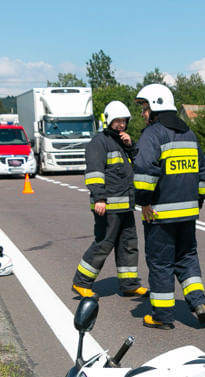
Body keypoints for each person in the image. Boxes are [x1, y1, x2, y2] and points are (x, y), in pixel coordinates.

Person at [133, 84, 205, 330]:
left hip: (160, 213)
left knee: (161, 263)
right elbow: (203, 174)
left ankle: (162, 316)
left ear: (155, 107)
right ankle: (198, 302)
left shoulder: (153, 134)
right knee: (187, 258)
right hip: (188, 213)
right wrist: (196, 203)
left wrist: (143, 201)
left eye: (145, 108)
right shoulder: (188, 133)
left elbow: (145, 170)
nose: (143, 113)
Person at [72, 101, 147, 301]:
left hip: (125, 206)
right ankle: (81, 282)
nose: (121, 125)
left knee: (129, 244)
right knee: (103, 244)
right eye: (117, 121)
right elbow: (95, 173)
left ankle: (129, 284)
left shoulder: (123, 142)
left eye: (124, 121)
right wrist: (100, 198)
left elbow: (136, 164)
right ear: (108, 121)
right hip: (107, 206)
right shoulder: (99, 142)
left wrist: (131, 146)